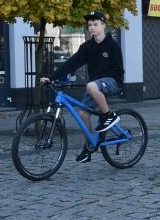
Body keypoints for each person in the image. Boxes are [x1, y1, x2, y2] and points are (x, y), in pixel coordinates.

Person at [41, 10, 123, 163]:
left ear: (103, 26)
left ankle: (109, 115)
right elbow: (71, 63)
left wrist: (102, 81)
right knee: (83, 115)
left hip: (112, 81)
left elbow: (119, 70)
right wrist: (51, 78)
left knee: (91, 86)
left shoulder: (112, 45)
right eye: (90, 24)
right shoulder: (87, 47)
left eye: (95, 24)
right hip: (95, 85)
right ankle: (89, 147)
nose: (92, 27)